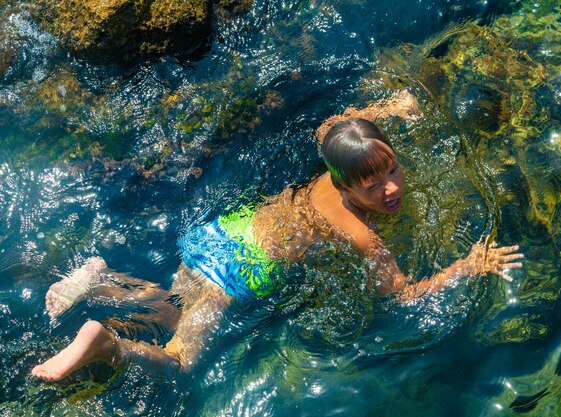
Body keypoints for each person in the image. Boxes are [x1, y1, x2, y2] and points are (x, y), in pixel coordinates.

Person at [31, 91, 523, 382]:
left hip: (223, 232)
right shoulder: (363, 237)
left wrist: (387, 108)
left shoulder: (334, 158)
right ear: (345, 183)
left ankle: (102, 282)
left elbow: (332, 126)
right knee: (181, 361)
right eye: (374, 185)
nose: (392, 188)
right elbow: (400, 297)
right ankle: (106, 346)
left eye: (392, 168)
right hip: (238, 271)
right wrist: (466, 267)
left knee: (174, 306)